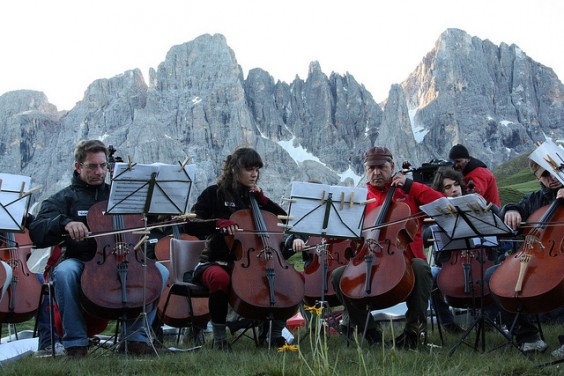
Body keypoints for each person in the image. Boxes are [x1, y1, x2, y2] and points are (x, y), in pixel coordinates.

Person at [28, 140, 169, 358]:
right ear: (78, 167)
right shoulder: (64, 198)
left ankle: (134, 339)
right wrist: (64, 222)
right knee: (65, 272)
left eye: (103, 166)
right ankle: (75, 343)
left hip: (122, 257)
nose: (99, 171)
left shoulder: (121, 195)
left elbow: (143, 224)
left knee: (160, 272)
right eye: (92, 166)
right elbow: (37, 229)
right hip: (83, 261)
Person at [331, 146, 444, 349]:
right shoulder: (360, 199)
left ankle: (413, 333)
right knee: (339, 276)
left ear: (392, 166)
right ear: (365, 170)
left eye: (381, 167)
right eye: (370, 168)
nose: (376, 173)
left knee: (421, 267)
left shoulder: (408, 191)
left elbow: (441, 205)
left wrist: (410, 185)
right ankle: (371, 333)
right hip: (370, 262)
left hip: (406, 264)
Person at [184, 147, 292, 351]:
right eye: (249, 169)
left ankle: (274, 335)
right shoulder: (213, 193)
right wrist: (217, 224)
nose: (254, 174)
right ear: (234, 169)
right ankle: (219, 339)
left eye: (257, 169)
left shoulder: (254, 198)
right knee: (220, 278)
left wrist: (264, 202)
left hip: (252, 265)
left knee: (284, 279)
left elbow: (284, 220)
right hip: (216, 262)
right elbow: (190, 224)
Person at [486, 159, 562, 354]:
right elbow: (520, 206)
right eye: (545, 175)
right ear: (538, 178)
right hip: (539, 258)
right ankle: (528, 336)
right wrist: (511, 210)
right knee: (495, 275)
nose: (552, 178)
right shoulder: (536, 198)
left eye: (555, 172)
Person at [427, 167, 466, 334]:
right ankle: (447, 323)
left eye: (456, 184)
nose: (454, 189)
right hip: (448, 265)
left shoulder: (475, 204)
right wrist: (438, 224)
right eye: (448, 187)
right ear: (441, 192)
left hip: (477, 260)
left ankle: (489, 319)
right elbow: (423, 236)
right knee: (431, 275)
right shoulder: (436, 213)